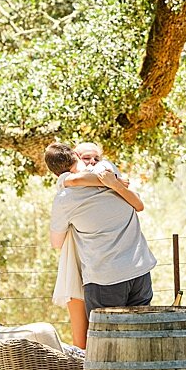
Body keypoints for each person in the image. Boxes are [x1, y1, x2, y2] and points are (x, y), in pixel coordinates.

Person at [44, 141, 157, 337]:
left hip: (105, 278)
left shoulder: (64, 199)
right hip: (139, 269)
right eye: (86, 158)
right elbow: (102, 178)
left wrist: (64, 182)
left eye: (95, 158)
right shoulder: (108, 171)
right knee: (140, 338)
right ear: (76, 157)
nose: (92, 162)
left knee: (107, 344)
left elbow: (56, 243)